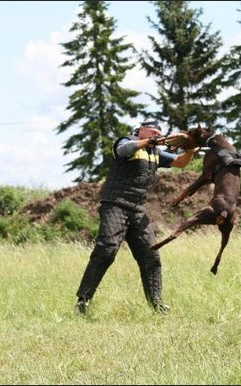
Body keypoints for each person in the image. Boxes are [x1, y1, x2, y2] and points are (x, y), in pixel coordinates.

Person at [74, 119, 198, 315]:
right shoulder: (126, 141)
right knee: (107, 251)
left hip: (138, 209)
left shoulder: (156, 152)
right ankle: (83, 301)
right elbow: (124, 149)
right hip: (115, 204)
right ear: (141, 130)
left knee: (151, 256)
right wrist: (148, 142)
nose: (156, 135)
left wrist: (191, 149)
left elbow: (180, 162)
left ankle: (156, 304)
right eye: (152, 132)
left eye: (158, 133)